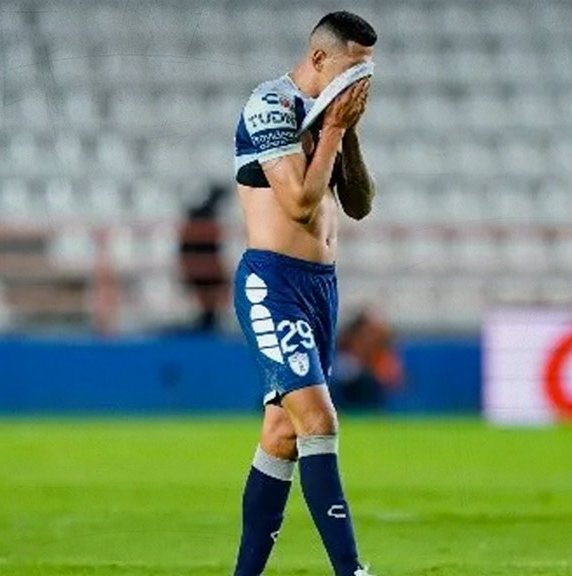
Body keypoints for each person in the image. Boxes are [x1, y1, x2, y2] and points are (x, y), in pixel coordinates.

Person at [230, 11, 378, 576]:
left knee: (282, 433)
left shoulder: (330, 117)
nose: (361, 81)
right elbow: (296, 202)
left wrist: (347, 131)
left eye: (368, 71)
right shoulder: (270, 104)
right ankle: (351, 570)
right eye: (352, 68)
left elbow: (358, 204)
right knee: (318, 420)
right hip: (274, 283)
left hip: (320, 289)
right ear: (319, 58)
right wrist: (333, 130)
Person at [332, 308, 402, 412]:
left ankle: (372, 409)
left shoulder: (379, 344)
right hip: (347, 377)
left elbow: (389, 372)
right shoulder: (348, 338)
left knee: (368, 381)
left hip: (367, 378)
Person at [178, 184, 228, 332]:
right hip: (201, 261)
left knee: (209, 291)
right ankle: (207, 319)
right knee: (206, 290)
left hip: (205, 261)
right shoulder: (202, 217)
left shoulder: (204, 216)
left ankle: (208, 319)